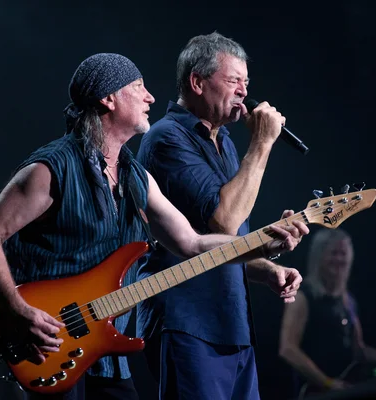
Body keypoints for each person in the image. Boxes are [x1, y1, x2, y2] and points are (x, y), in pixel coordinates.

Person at [0, 52, 308, 400]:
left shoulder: (135, 176)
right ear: (108, 98)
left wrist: (260, 244)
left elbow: (191, 243)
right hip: (51, 343)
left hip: (108, 354)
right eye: (139, 87)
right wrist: (18, 309)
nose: (151, 97)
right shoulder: (50, 170)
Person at [135, 32, 306, 399]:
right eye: (233, 81)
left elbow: (222, 246)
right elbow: (224, 223)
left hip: (232, 326)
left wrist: (267, 265)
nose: (244, 92)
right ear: (197, 82)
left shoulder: (225, 143)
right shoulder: (167, 138)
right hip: (188, 325)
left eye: (247, 82)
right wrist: (262, 143)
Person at [279, 228, 376, 398]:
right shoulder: (303, 296)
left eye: (343, 253)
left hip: (347, 388)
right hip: (317, 392)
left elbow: (358, 350)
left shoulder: (348, 300)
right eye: (333, 253)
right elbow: (288, 349)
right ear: (319, 256)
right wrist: (327, 382)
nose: (339, 259)